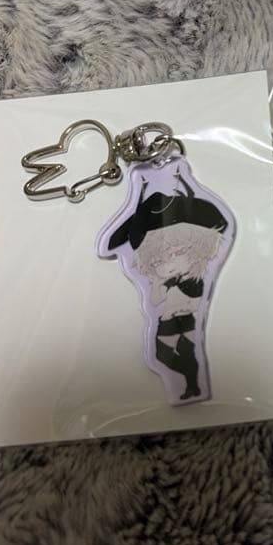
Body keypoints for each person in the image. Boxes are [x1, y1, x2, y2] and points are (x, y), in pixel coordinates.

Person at [99, 166, 230, 403]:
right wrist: (159, 283)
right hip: (166, 318)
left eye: (176, 252)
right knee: (161, 355)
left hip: (187, 318)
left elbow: (195, 296)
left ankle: (193, 385)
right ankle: (191, 380)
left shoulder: (195, 278)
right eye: (158, 259)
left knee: (188, 350)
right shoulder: (163, 279)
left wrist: (184, 179)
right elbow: (155, 299)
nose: (166, 262)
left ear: (198, 249)